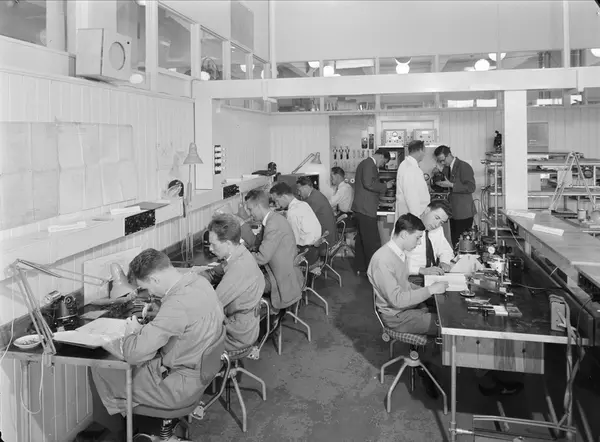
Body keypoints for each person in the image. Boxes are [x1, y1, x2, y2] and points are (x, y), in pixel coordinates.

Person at [91, 249, 225, 417]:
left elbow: (133, 354)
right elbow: (188, 316)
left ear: (155, 279)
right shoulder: (200, 282)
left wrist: (132, 332)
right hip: (201, 375)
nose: (150, 294)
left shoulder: (176, 305)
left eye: (147, 288)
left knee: (102, 367)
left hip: (178, 389)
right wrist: (161, 311)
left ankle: (124, 425)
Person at [367, 214, 448, 336]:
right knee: (445, 325)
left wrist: (430, 290)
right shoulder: (382, 261)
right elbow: (397, 300)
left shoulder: (399, 253)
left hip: (404, 309)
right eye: (417, 238)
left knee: (441, 309)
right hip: (396, 317)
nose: (419, 243)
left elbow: (404, 284)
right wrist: (430, 290)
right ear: (404, 234)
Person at [206, 213, 265, 351]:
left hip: (235, 336)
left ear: (227, 243)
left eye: (213, 244)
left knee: (184, 341)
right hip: (246, 326)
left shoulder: (239, 269)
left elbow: (210, 306)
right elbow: (221, 269)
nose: (210, 249)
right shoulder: (242, 253)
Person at [241, 189, 304, 314]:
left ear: (258, 206)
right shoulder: (273, 219)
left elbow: (262, 258)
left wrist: (239, 258)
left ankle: (261, 317)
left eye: (250, 209)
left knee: (244, 286)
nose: (249, 214)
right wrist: (242, 225)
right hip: (282, 271)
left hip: (279, 277)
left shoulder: (273, 225)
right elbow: (257, 243)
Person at [351, 149, 395, 275]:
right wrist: (386, 186)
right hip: (366, 209)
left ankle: (361, 267)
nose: (382, 165)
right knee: (372, 242)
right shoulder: (369, 164)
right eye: (384, 162)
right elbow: (369, 184)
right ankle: (375, 272)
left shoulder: (365, 164)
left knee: (362, 241)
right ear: (381, 156)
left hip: (362, 208)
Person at [434, 145, 477, 246]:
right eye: (440, 161)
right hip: (453, 212)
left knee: (463, 244)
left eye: (443, 160)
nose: (442, 163)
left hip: (464, 213)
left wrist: (451, 185)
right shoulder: (447, 168)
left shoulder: (464, 166)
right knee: (455, 242)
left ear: (449, 155)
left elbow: (471, 187)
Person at [270, 182, 322, 263]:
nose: (277, 205)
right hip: (315, 250)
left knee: (273, 256)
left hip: (306, 254)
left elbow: (293, 241)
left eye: (277, 201)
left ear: (284, 197)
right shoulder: (303, 204)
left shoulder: (292, 212)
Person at [406, 200, 454, 279]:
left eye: (441, 222)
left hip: (431, 275)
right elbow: (395, 261)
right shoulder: (406, 227)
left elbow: (445, 250)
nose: (437, 224)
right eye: (436, 218)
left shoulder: (438, 230)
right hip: (411, 276)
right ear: (427, 210)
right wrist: (421, 270)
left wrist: (444, 262)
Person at [296, 175, 337, 247]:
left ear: (306, 187)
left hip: (325, 239)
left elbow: (302, 220)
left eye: (299, 190)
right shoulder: (316, 194)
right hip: (328, 234)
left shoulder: (313, 199)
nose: (299, 193)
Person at [395, 139, 431, 219]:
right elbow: (411, 196)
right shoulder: (410, 168)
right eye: (424, 151)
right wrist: (416, 218)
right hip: (412, 216)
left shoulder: (408, 165)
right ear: (420, 150)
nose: (424, 154)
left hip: (412, 215)